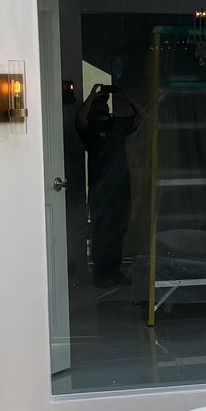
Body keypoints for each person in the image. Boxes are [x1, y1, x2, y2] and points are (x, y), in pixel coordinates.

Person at [77, 83, 141, 287]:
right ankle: (101, 274)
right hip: (99, 188)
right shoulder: (90, 128)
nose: (103, 106)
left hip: (121, 187)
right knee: (102, 230)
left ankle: (114, 272)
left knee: (119, 230)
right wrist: (91, 96)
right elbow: (80, 120)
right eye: (99, 103)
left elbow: (143, 117)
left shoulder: (116, 124)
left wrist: (125, 96)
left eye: (104, 102)